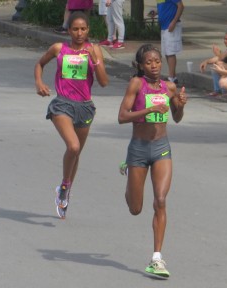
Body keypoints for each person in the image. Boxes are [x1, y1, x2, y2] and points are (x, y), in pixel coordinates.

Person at [118, 44, 187, 278]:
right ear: (141, 65)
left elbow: (176, 117)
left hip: (161, 148)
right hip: (138, 149)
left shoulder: (170, 87)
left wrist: (180, 104)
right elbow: (122, 116)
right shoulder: (137, 84)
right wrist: (148, 110)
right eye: (149, 62)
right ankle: (129, 172)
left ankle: (157, 258)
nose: (154, 65)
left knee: (160, 200)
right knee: (135, 209)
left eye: (157, 61)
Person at [35, 12, 108, 219]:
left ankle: (65, 188)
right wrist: (39, 82)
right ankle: (65, 185)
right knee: (73, 146)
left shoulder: (94, 50)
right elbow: (40, 64)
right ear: (69, 31)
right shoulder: (59, 49)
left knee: (76, 154)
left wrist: (96, 62)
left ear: (88, 30)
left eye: (83, 29)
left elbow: (103, 82)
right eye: (75, 29)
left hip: (84, 107)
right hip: (62, 104)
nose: (79, 33)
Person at [156, 0, 184, 84]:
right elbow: (163, 7)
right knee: (167, 52)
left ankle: (171, 78)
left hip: (171, 26)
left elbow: (181, 6)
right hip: (164, 26)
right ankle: (173, 76)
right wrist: (157, 13)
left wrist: (174, 22)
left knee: (171, 52)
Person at [200, 32, 227, 96]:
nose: (225, 41)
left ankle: (225, 92)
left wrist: (218, 54)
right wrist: (206, 61)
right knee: (215, 66)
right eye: (224, 39)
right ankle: (217, 90)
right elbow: (217, 58)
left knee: (219, 66)